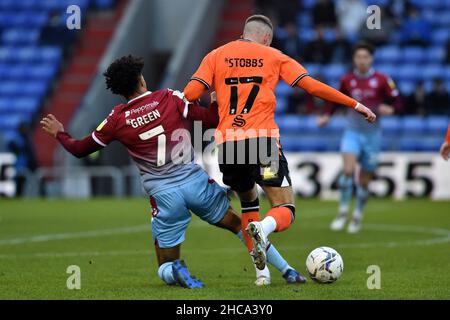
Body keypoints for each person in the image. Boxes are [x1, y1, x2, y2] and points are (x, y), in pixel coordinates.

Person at [40, 55, 303, 288]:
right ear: (141, 80)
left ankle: (175, 270)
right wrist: (213, 102)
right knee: (241, 226)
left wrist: (60, 133)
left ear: (119, 91)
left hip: (164, 194)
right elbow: (211, 119)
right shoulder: (169, 97)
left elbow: (79, 149)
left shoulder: (116, 119)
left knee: (165, 262)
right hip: (195, 183)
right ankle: (287, 270)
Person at [184, 15, 376, 270]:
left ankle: (261, 274)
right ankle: (263, 229)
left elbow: (190, 94)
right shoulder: (273, 55)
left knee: (249, 202)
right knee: (285, 208)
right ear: (266, 38)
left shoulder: (216, 55)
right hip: (262, 142)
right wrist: (355, 104)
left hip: (228, 145)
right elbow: (312, 87)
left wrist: (219, 99)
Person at [317, 42, 401, 233]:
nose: (362, 60)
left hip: (372, 135)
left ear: (371, 59)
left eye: (365, 57)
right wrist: (326, 116)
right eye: (358, 57)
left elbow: (398, 102)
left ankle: (358, 215)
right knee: (347, 171)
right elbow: (336, 101)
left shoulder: (382, 80)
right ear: (354, 59)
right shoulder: (347, 80)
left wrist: (391, 108)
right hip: (352, 132)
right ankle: (343, 211)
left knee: (364, 180)